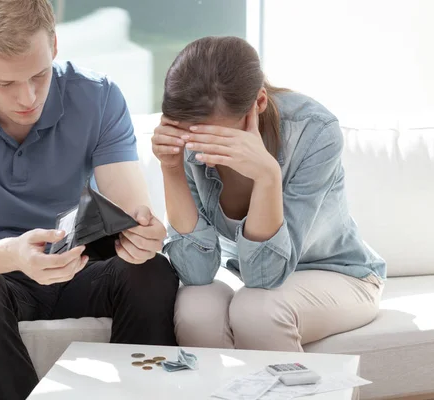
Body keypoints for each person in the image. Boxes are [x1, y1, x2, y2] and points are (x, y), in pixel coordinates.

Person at [0, 1, 178, 399]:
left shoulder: (98, 97)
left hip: (80, 264)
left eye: (39, 74)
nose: (28, 97)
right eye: (6, 84)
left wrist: (143, 237)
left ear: (53, 43)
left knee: (152, 272)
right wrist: (15, 255)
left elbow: (131, 215)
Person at [153, 36, 386, 352]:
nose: (201, 147)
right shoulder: (187, 135)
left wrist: (266, 176)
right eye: (190, 134)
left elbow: (265, 276)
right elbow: (196, 272)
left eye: (217, 135)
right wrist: (171, 168)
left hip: (340, 274)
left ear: (258, 104)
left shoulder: (313, 131)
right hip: (251, 281)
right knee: (196, 308)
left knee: (257, 310)